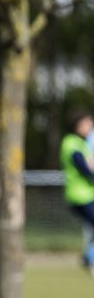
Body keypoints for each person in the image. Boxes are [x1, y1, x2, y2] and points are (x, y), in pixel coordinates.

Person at [60, 109, 94, 273]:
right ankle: (88, 257)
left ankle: (88, 257)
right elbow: (85, 168)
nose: (91, 126)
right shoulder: (71, 143)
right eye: (88, 123)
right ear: (78, 125)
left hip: (88, 195)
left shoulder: (83, 143)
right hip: (80, 196)